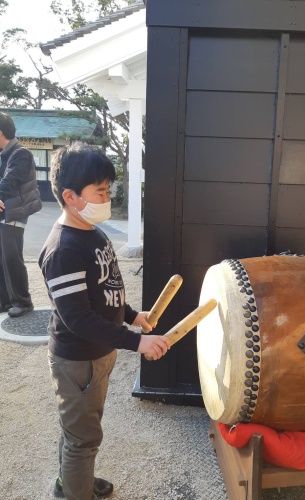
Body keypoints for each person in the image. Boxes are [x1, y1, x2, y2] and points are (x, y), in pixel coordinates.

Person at [38, 142, 170, 500]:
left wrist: (132, 316)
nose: (106, 197)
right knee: (84, 437)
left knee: (79, 428)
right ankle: (75, 490)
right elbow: (78, 317)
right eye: (100, 191)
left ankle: (72, 479)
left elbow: (106, 289)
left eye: (108, 190)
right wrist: (136, 340)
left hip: (98, 354)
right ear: (71, 196)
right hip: (78, 360)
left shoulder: (93, 232)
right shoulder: (63, 249)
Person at [0, 111, 42, 317]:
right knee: (2, 257)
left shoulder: (20, 153)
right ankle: (5, 301)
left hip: (14, 213)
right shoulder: (3, 154)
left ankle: (23, 302)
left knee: (11, 256)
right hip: (3, 214)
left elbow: (10, 181)